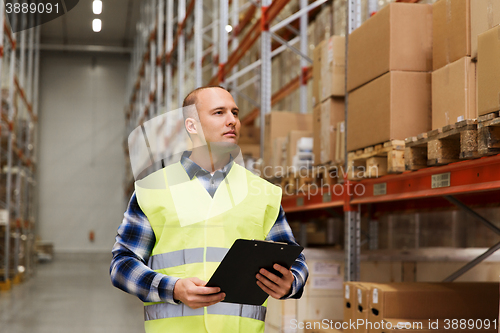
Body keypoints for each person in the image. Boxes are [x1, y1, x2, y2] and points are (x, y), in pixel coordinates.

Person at [110, 86, 308, 333]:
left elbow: (295, 259)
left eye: (234, 112)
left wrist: (291, 283)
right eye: (219, 112)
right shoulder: (152, 189)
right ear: (192, 126)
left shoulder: (262, 192)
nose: (232, 120)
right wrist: (173, 288)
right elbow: (122, 265)